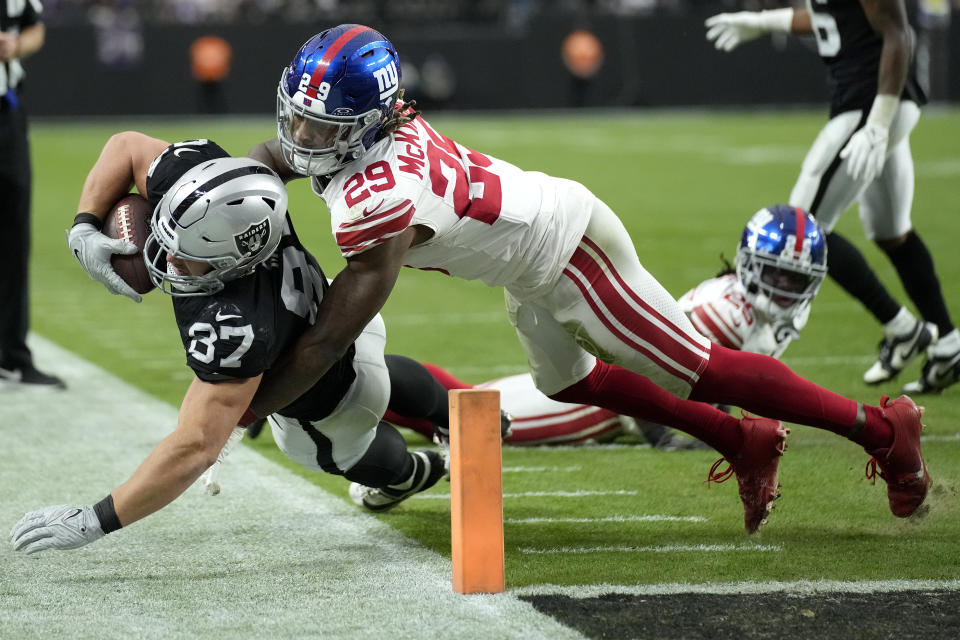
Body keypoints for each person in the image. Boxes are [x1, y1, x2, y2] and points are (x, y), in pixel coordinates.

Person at [74, 26, 930, 535]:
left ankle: (881, 428)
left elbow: (332, 333)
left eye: (315, 122)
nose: (295, 133)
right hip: (525, 256)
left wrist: (247, 410)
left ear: (365, 123)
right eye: (294, 111)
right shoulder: (364, 139)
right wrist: (138, 208)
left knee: (694, 366)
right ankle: (743, 441)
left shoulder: (378, 196)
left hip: (565, 251)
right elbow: (250, 168)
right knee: (572, 379)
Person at [10, 133, 455, 555]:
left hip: (326, 414)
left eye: (189, 255)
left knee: (365, 451)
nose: (167, 257)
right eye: (166, 233)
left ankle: (415, 472)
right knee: (379, 370)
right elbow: (127, 147)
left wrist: (95, 519)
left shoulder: (234, 326)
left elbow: (194, 446)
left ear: (235, 261)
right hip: (348, 320)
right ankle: (461, 413)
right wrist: (84, 224)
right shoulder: (223, 192)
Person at [385, 205, 825, 450]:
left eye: (795, 280)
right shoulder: (726, 310)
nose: (784, 289)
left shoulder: (751, 310)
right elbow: (649, 366)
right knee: (470, 423)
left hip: (602, 384)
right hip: (605, 399)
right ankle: (366, 388)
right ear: (751, 266)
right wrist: (663, 434)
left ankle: (368, 389)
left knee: (467, 408)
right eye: (776, 275)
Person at [704, 1, 960, 394]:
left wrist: (877, 123)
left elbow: (897, 32)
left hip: (870, 104)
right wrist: (762, 22)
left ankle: (902, 329)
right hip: (875, 102)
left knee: (801, 230)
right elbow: (833, 16)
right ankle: (947, 343)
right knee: (892, 232)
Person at [0, 0, 63, 388]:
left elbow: (33, 27)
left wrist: (15, 46)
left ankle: (12, 355)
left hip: (7, 114)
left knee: (13, 235)